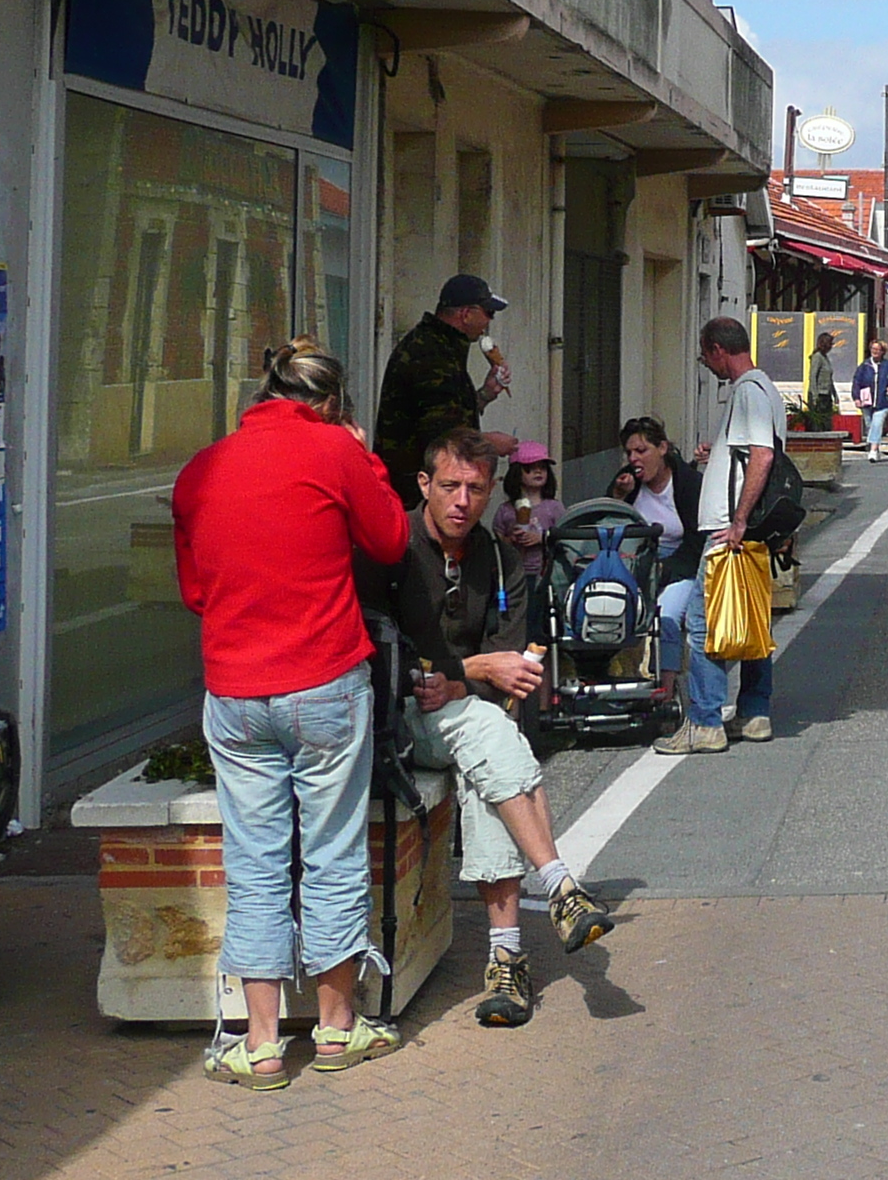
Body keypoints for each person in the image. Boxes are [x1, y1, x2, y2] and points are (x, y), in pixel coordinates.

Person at [170, 340, 411, 1088]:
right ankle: (338, 1030)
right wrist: (360, 457)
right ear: (334, 404)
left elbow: (196, 592)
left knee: (256, 863)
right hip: (325, 681)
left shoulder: (201, 470)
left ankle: (262, 1043)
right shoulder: (334, 452)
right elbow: (392, 540)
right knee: (335, 852)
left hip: (238, 687)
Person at [394, 428, 614, 1028]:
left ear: (492, 492)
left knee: (487, 759)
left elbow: (510, 663)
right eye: (449, 487)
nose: (461, 500)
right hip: (401, 717)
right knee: (492, 735)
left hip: (468, 717)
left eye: (474, 488)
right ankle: (560, 883)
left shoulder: (501, 558)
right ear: (424, 486)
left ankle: (507, 961)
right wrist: (469, 670)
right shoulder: (396, 548)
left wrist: (465, 679)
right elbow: (386, 653)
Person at [656, 317, 785, 754]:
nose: (706, 364)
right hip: (744, 526)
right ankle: (754, 712)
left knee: (703, 623)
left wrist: (739, 520)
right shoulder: (765, 387)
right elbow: (754, 451)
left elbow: (763, 456)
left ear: (716, 349)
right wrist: (721, 455)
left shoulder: (748, 389)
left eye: (704, 354)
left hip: (729, 528)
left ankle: (705, 721)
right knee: (749, 617)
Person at [373, 274, 518, 506]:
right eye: (488, 313)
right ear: (466, 314)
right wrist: (489, 444)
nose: (488, 322)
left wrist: (485, 394)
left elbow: (446, 410)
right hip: (416, 496)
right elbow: (441, 435)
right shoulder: (429, 354)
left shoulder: (441, 347)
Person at [608, 418, 698, 555]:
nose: (633, 458)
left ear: (662, 448)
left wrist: (663, 571)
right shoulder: (626, 477)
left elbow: (696, 544)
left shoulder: (689, 482)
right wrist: (619, 495)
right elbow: (606, 523)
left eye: (641, 450)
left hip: (676, 560)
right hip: (631, 555)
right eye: (629, 453)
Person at [491, 443, 563, 555]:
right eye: (530, 467)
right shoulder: (505, 510)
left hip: (548, 569)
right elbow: (497, 541)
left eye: (543, 467)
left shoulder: (554, 507)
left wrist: (542, 538)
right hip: (515, 569)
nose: (538, 471)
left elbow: (564, 536)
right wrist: (511, 539)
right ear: (516, 473)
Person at [855, 338, 888, 460]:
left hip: (883, 402)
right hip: (867, 402)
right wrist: (856, 398)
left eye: (877, 349)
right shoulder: (864, 366)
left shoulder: (887, 366)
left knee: (877, 423)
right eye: (873, 349)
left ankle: (873, 451)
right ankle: (876, 446)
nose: (874, 351)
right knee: (870, 425)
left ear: (882, 352)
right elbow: (857, 382)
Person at [806, 330, 840, 429]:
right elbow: (813, 376)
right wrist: (815, 396)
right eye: (830, 344)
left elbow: (829, 378)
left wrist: (834, 394)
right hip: (819, 395)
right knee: (818, 424)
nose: (831, 346)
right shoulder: (817, 357)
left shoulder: (825, 357)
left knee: (827, 423)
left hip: (826, 394)